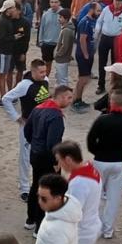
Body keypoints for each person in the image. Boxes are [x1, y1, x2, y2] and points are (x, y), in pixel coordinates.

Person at [54, 141, 103, 244]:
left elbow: (74, 211)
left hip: (82, 231)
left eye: (60, 160)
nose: (59, 165)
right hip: (90, 224)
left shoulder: (79, 182)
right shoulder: (90, 170)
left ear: (68, 159)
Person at [86, 92, 122, 239]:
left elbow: (90, 140)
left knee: (96, 195)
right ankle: (107, 230)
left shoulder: (102, 120)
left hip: (100, 161)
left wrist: (97, 152)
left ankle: (93, 227)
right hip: (117, 162)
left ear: (111, 103)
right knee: (113, 198)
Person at [23, 85, 74, 231]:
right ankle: (40, 226)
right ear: (62, 97)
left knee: (36, 186)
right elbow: (53, 143)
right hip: (47, 158)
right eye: (69, 97)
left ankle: (30, 219)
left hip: (35, 154)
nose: (70, 101)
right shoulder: (56, 116)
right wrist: (56, 162)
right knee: (48, 190)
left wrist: (34, 144)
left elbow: (27, 130)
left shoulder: (38, 108)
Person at [2, 59, 51, 204]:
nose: (44, 74)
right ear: (34, 71)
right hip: (28, 125)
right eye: (41, 72)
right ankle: (24, 188)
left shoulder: (46, 80)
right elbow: (6, 99)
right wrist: (16, 117)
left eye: (45, 71)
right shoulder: (24, 85)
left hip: (43, 124)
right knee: (25, 156)